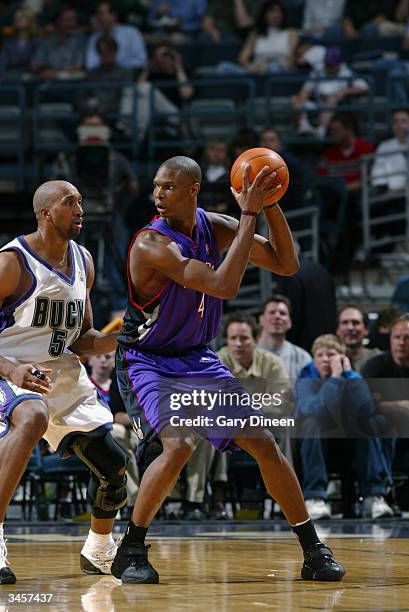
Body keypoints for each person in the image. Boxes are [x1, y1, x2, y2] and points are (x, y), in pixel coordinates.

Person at [112, 155, 345, 583]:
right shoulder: (151, 243)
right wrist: (250, 214)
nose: (158, 195)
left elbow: (285, 263)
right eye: (156, 186)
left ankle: (313, 549)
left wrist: (269, 203)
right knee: (179, 445)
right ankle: (130, 550)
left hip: (197, 356)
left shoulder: (214, 226)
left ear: (193, 189)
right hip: (149, 359)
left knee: (264, 443)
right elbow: (224, 285)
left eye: (168, 187)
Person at [0, 180, 128, 584]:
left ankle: (99, 547)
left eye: (80, 201)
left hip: (60, 374)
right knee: (33, 415)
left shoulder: (84, 260)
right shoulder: (12, 263)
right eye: (68, 202)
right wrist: (12, 369)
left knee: (114, 468)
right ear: (45, 213)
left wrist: (121, 338)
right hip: (9, 370)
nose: (79, 208)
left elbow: (83, 338)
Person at [296, 334, 394, 520]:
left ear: (341, 358)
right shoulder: (305, 377)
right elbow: (318, 410)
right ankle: (315, 497)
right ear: (313, 359)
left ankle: (374, 496)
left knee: (369, 422)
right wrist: (334, 379)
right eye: (320, 355)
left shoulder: (350, 375)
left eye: (331, 354)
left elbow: (367, 408)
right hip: (317, 442)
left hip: (350, 442)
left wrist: (348, 375)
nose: (325, 359)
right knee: (312, 423)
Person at [88, 352, 139, 518]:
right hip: (105, 430)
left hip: (153, 430)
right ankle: (133, 502)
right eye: (99, 357)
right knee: (114, 435)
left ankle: (193, 501)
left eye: (108, 357)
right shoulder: (88, 384)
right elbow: (115, 415)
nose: (103, 361)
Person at [291, 46, 369, 138]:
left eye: (331, 65)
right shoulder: (318, 69)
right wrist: (302, 99)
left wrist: (345, 91)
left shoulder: (346, 72)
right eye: (327, 64)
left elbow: (364, 87)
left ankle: (321, 131)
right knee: (295, 99)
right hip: (318, 104)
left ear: (339, 64)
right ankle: (304, 127)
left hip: (336, 109)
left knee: (331, 99)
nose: (328, 67)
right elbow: (305, 90)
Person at [218, 0, 298, 76]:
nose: (275, 15)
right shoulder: (256, 33)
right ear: (264, 15)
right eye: (272, 12)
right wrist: (250, 66)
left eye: (278, 12)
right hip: (256, 71)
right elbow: (243, 57)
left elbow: (292, 59)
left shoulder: (291, 33)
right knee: (224, 67)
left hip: (280, 71)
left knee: (273, 67)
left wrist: (281, 65)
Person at [257, 294, 311, 378]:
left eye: (282, 313)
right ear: (261, 319)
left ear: (289, 322)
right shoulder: (249, 355)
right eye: (272, 312)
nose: (277, 316)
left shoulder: (302, 357)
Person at [85, 1, 147, 72]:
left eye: (102, 14)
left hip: (128, 78)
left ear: (114, 15)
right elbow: (90, 65)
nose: (99, 18)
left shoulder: (131, 33)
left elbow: (141, 61)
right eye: (98, 14)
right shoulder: (94, 38)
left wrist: (115, 66)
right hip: (101, 79)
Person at [31, 5, 86, 79]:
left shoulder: (81, 40)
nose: (71, 23)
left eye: (73, 19)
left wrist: (58, 73)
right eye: (67, 20)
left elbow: (80, 66)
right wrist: (42, 70)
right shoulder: (47, 42)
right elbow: (36, 64)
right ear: (58, 21)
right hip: (49, 83)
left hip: (73, 83)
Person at [371, 108, 409, 195]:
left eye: (404, 121)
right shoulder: (384, 146)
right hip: (390, 195)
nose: (399, 125)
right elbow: (377, 174)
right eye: (395, 122)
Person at [336, 306, 381, 373]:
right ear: (338, 330)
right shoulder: (327, 360)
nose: (350, 327)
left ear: (366, 329)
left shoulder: (378, 358)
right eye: (345, 322)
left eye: (355, 322)